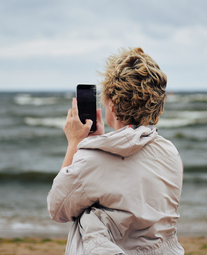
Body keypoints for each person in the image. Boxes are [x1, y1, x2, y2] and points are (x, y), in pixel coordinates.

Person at [47, 47, 184, 254]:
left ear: (111, 103)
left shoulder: (92, 159)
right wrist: (98, 141)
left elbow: (57, 209)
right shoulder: (169, 152)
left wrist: (75, 143)